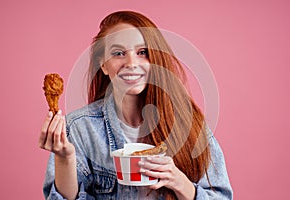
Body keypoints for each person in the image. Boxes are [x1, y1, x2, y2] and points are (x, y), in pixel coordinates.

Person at [39, 10, 233, 200]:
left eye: (142, 52)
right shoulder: (79, 127)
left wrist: (180, 183)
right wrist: (64, 157)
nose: (131, 63)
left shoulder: (188, 123)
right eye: (118, 53)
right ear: (104, 65)